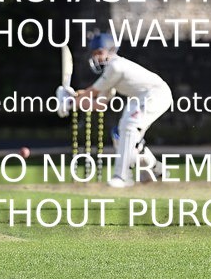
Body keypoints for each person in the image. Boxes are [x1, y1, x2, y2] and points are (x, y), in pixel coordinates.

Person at [72, 33, 172, 188]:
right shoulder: (110, 73)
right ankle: (154, 169)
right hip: (143, 97)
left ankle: (122, 176)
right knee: (121, 135)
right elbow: (100, 104)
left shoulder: (116, 66)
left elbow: (92, 92)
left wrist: (71, 101)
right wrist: (76, 101)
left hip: (156, 94)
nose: (97, 58)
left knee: (129, 125)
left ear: (111, 50)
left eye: (99, 52)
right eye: (94, 54)